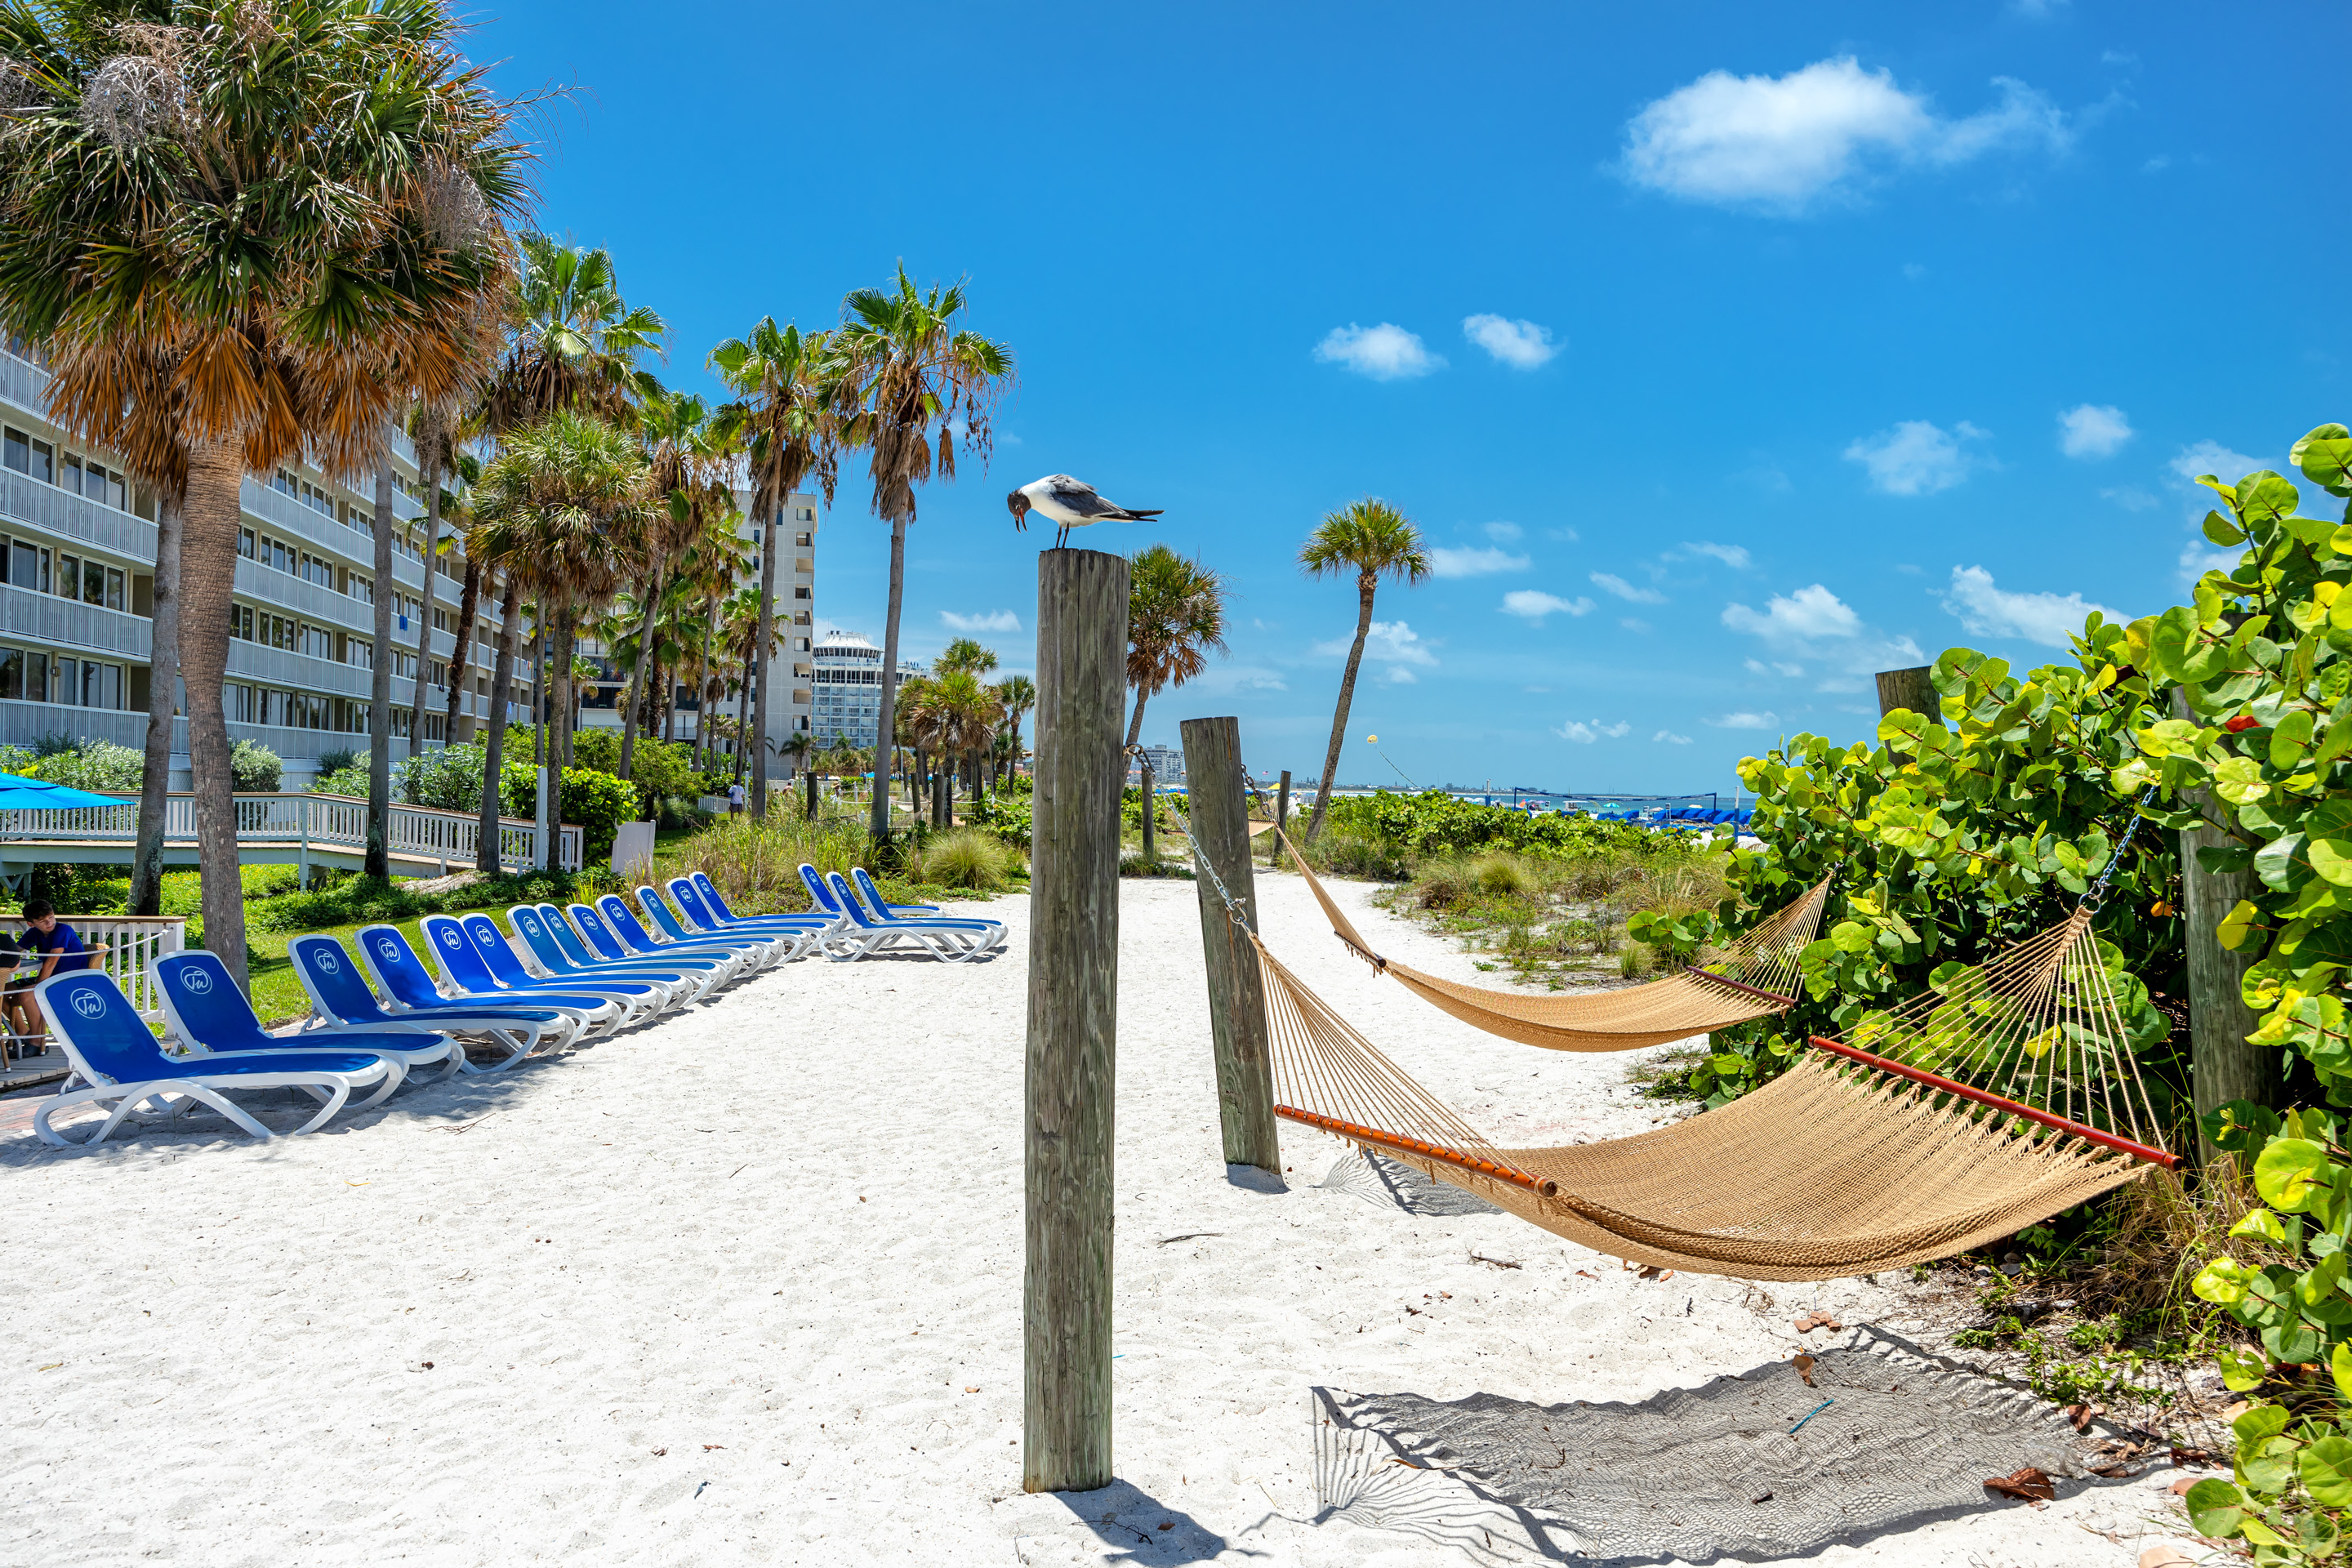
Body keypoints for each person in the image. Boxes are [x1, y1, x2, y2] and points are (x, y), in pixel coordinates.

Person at [4, 900, 104, 1058]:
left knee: (26, 994)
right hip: (51, 977)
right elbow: (14, 951)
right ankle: (23, 1031)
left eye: (51, 917)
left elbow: (51, 962)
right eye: (42, 921)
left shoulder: (63, 930)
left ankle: (36, 1042)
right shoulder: (34, 933)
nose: (49, 922)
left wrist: (37, 986)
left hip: (69, 980)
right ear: (31, 924)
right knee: (2, 991)